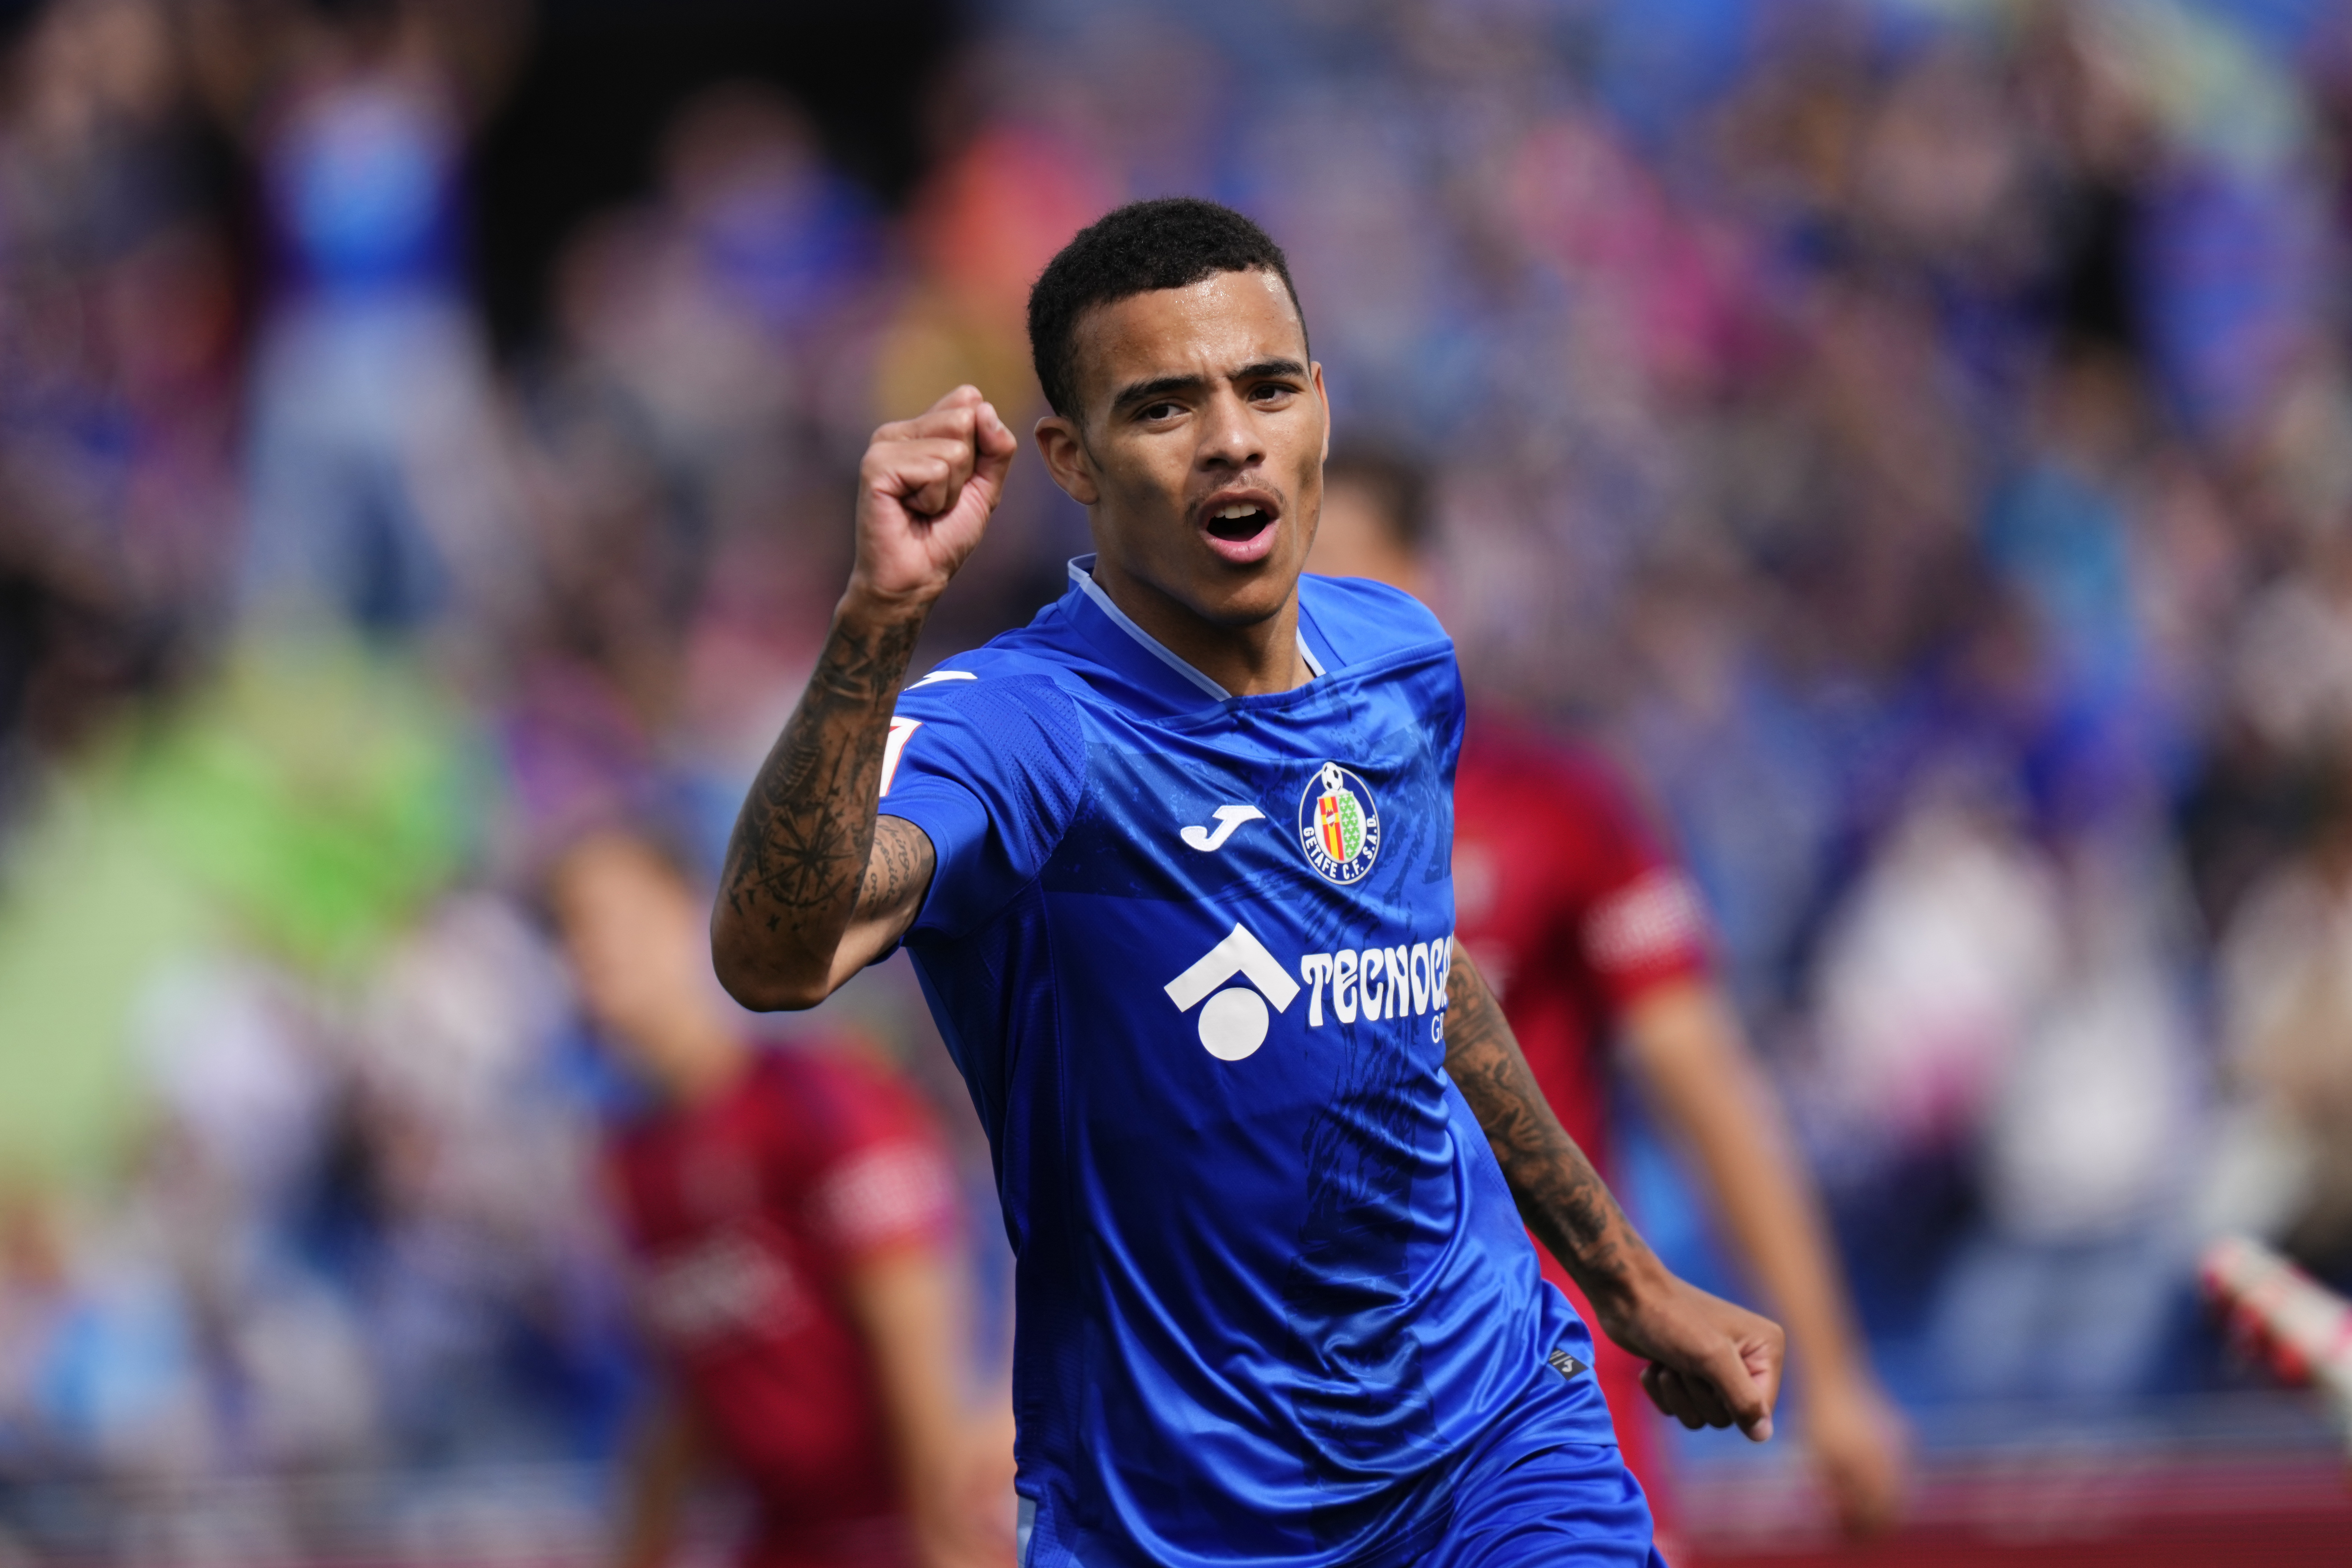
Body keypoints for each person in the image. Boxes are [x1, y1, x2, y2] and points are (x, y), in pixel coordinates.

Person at [709, 197, 1782, 1568]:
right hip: (1181, 1516)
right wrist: (877, 618)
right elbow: (774, 954)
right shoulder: (1025, 726)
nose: (1230, 437)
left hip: (1491, 1435)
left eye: (1266, 387)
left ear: (1317, 405)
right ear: (1071, 457)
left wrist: (1626, 1283)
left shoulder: (1398, 657)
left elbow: (1415, 975)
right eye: (1162, 406)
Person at [1310, 451, 1909, 1542]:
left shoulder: (1557, 807)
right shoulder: (1206, 833)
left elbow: (1706, 1093)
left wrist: (1834, 1373)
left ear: (1426, 583)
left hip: (1548, 1409)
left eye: (1346, 576)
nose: (1311, 615)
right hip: (1317, 1424)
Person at [548, 827, 1014, 1568]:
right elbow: (699, 1378)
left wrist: (939, 1532)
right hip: (785, 1536)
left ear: (688, 913)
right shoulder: (628, 1163)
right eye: (569, 930)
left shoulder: (814, 1097)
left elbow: (913, 1320)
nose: (593, 950)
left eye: (614, 920)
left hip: (893, 1528)